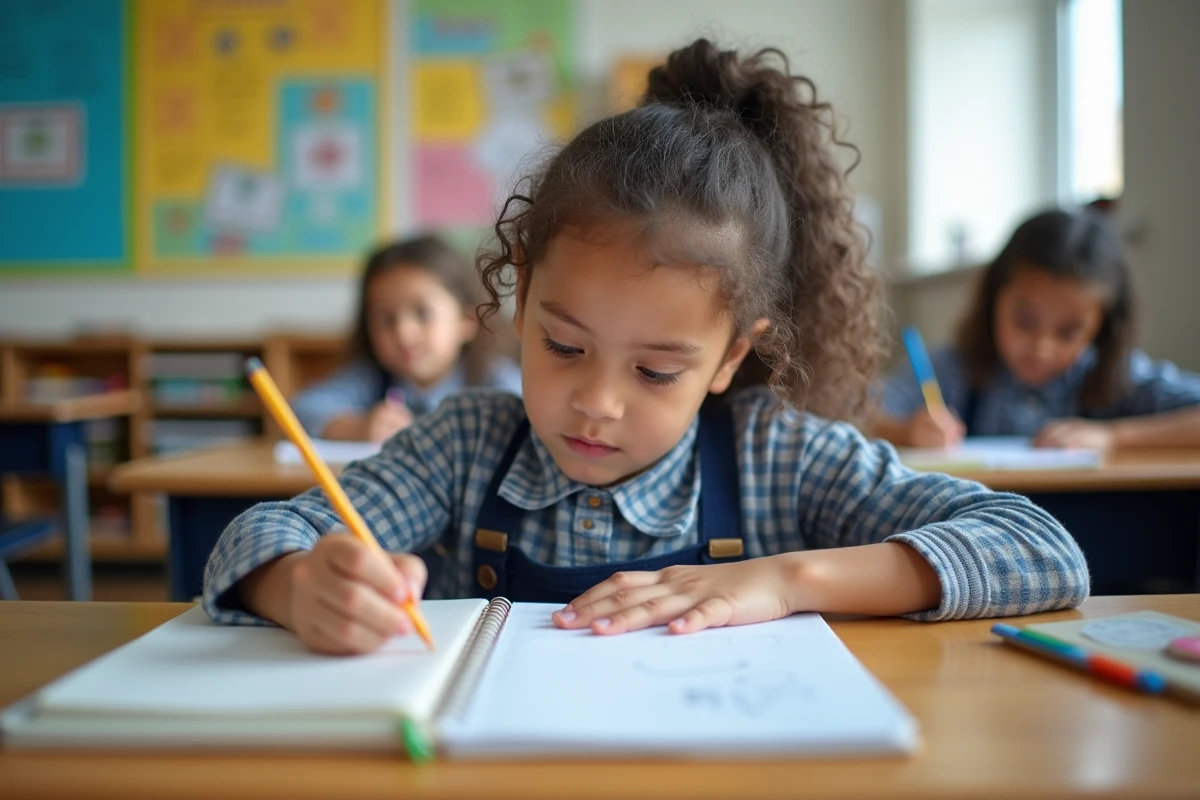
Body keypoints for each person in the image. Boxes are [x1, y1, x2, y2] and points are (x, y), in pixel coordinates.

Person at [203, 39, 1088, 655]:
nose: (598, 401)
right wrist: (298, 585)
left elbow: (1039, 548)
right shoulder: (463, 447)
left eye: (658, 370)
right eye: (563, 345)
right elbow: (260, 533)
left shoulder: (774, 457)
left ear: (732, 357)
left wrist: (783, 581)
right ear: (521, 294)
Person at [875, 210, 1200, 449]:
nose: (1042, 347)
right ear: (994, 300)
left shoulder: (1113, 375)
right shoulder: (952, 369)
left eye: (1069, 332)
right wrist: (907, 432)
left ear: (1101, 328)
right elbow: (857, 413)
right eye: (1025, 321)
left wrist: (1113, 436)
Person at [291, 235, 522, 443]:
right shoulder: (371, 379)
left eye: (423, 314)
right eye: (385, 319)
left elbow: (526, 420)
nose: (403, 333)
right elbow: (301, 409)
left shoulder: (492, 378)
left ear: (466, 320)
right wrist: (358, 428)